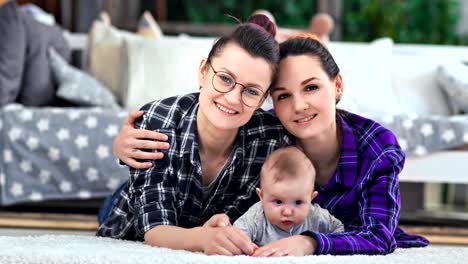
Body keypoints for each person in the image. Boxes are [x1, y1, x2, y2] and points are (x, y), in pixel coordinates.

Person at [111, 32, 429, 256]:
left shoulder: (372, 148)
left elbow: (379, 234)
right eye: (284, 96)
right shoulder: (268, 133)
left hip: (204, 216)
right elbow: (218, 96)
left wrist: (310, 242)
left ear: (337, 86)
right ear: (272, 102)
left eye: (312, 88)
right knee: (122, 204)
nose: (300, 106)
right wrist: (122, 144)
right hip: (156, 205)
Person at [97, 14, 297, 256]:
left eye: (252, 91)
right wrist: (203, 237)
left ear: (264, 99)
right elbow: (154, 228)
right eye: (224, 78)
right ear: (203, 71)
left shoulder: (272, 139)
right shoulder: (159, 120)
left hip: (200, 215)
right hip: (130, 217)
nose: (233, 98)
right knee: (119, 199)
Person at [233, 146, 344, 250]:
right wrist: (247, 247)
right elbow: (236, 235)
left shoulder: (316, 216)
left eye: (298, 202)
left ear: (311, 198)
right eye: (278, 202)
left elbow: (340, 231)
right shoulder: (256, 217)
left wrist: (316, 243)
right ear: (261, 196)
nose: (287, 212)